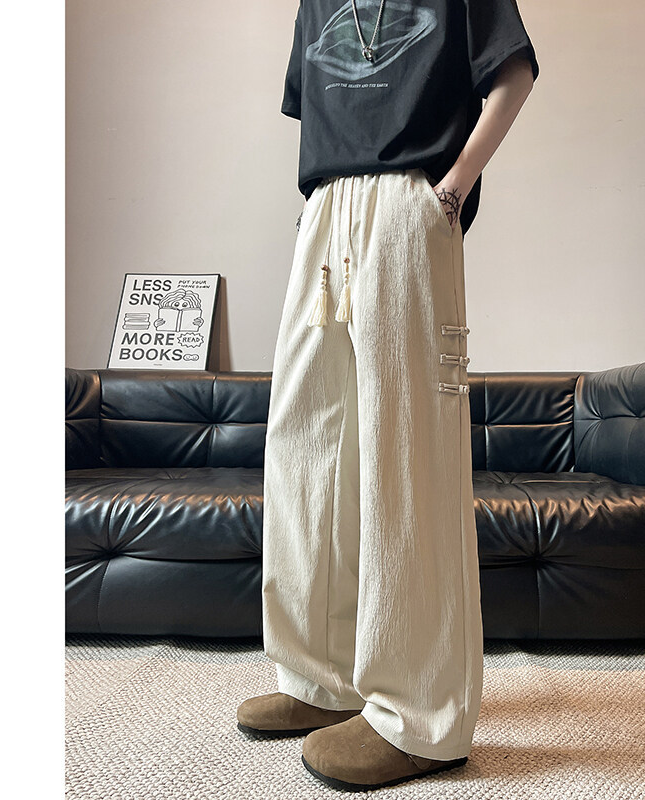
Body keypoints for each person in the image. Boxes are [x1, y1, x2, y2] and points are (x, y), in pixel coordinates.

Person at [237, 0, 539, 791]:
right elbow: (319, 110)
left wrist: (453, 188)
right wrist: (317, 212)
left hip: (411, 201)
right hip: (325, 210)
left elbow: (512, 71)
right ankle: (320, 678)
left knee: (408, 453)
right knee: (306, 447)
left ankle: (420, 716)